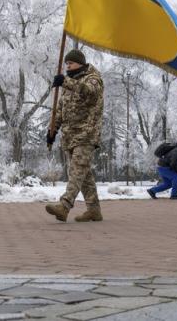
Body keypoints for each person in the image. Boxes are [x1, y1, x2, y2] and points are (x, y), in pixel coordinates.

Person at [45, 49, 105, 223]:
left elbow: (89, 92)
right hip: (70, 136)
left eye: (70, 63)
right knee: (84, 174)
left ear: (80, 63)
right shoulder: (68, 84)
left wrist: (66, 82)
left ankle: (64, 206)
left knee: (76, 170)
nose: (68, 66)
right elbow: (61, 111)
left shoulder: (93, 79)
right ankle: (94, 210)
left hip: (87, 134)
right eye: (66, 64)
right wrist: (52, 131)